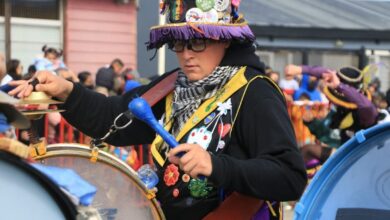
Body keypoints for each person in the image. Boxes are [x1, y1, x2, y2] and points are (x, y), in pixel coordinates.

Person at [10, 1, 307, 219]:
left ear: (225, 38)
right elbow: (111, 118)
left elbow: (290, 176)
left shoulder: (254, 91)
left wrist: (215, 165)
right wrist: (65, 89)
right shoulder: (172, 86)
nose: (186, 55)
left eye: (198, 42)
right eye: (177, 44)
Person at [285, 65, 378, 165]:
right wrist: (300, 69)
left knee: (308, 150)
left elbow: (367, 106)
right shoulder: (340, 111)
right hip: (344, 152)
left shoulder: (366, 113)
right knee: (302, 151)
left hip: (361, 159)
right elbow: (328, 136)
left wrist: (340, 86)